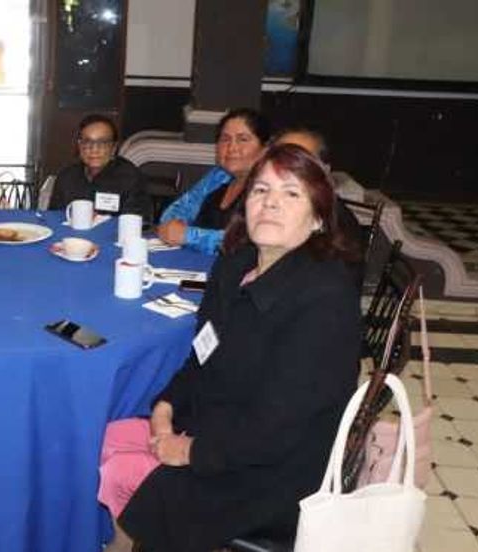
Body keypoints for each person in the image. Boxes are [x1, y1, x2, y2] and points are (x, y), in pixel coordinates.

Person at [98, 144, 361, 552]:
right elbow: (201, 355)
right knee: (106, 439)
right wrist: (166, 405)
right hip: (219, 424)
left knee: (142, 479)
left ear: (318, 218)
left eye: (291, 193)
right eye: (260, 191)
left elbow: (278, 427)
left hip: (273, 473)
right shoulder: (236, 266)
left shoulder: (325, 299)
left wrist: (190, 451)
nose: (271, 203)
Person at [157, 108, 270, 254]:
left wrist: (189, 236)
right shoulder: (219, 176)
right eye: (225, 139)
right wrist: (174, 227)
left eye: (243, 139)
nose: (232, 148)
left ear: (264, 149)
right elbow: (176, 211)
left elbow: (251, 242)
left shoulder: (270, 189)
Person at [271, 126, 365, 284]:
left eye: (301, 161)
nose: (287, 169)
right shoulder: (269, 207)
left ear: (325, 171)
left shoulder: (337, 224)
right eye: (279, 159)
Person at [49, 114, 148, 216]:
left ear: (113, 148)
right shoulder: (66, 177)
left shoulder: (131, 179)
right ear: (79, 146)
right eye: (87, 142)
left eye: (102, 143)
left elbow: (139, 224)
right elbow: (53, 218)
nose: (94, 149)